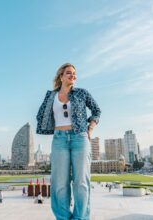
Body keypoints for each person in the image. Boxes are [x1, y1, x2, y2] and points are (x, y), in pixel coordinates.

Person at [36, 63, 101, 220]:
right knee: (59, 183)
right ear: (61, 76)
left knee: (81, 182)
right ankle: (63, 217)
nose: (73, 76)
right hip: (59, 139)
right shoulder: (51, 96)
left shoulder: (81, 93)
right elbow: (40, 115)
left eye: (74, 73)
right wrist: (48, 126)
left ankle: (81, 218)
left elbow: (96, 110)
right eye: (69, 73)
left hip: (80, 138)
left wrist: (90, 128)